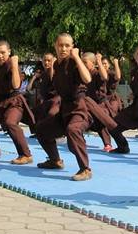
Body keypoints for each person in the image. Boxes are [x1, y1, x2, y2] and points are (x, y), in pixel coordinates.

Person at [35, 34, 98, 180]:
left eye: (67, 46)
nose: (63, 48)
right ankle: (55, 160)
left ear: (72, 47)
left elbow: (88, 79)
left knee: (73, 130)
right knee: (41, 129)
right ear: (55, 46)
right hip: (64, 110)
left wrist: (77, 57)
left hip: (79, 108)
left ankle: (85, 169)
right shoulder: (56, 64)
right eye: (60, 45)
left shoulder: (75, 62)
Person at [0, 41, 35, 164]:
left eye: (3, 53)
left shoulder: (11, 65)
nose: (0, 55)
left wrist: (15, 65)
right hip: (1, 103)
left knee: (10, 123)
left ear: (9, 52)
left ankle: (26, 154)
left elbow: (16, 85)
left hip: (15, 102)